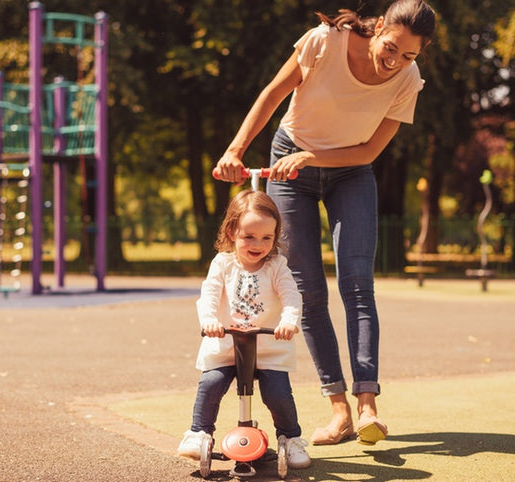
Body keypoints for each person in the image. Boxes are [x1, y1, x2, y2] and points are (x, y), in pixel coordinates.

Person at [214, 0, 436, 446]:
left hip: (351, 171)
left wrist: (315, 157)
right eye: (391, 47)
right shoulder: (324, 43)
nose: (394, 61)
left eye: (408, 56)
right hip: (288, 166)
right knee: (308, 290)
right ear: (378, 29)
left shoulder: (407, 81)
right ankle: (339, 410)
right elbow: (273, 94)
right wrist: (236, 149)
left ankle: (368, 404)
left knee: (357, 283)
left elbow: (369, 152)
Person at [177, 189, 311, 469]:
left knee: (277, 394)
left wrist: (289, 321)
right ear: (231, 231)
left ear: (275, 237)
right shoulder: (223, 264)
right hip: (226, 345)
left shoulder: (277, 266)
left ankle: (291, 437)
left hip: (269, 348)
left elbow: (291, 295)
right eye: (249, 236)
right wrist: (210, 320)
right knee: (211, 384)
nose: (257, 244)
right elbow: (209, 295)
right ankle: (199, 431)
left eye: (266, 237)